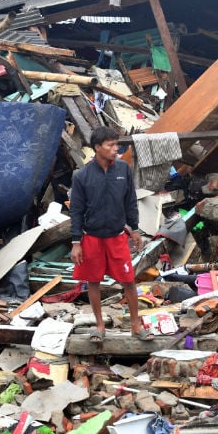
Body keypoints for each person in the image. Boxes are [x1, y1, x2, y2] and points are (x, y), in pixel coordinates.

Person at [69, 126, 150, 342]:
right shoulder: (82, 176)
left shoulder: (123, 170)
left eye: (117, 144)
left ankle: (136, 326)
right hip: (92, 238)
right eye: (110, 145)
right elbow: (76, 210)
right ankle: (100, 327)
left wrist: (134, 229)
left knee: (129, 280)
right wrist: (76, 242)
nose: (116, 149)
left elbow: (130, 201)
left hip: (116, 236)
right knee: (93, 281)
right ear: (97, 148)